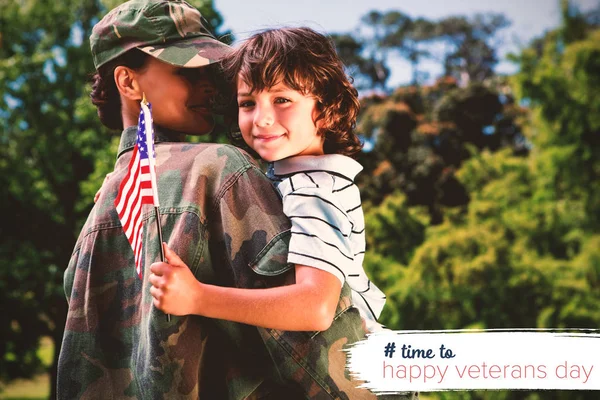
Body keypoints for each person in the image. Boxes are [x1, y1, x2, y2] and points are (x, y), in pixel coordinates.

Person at [58, 1, 415, 399]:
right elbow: (318, 337)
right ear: (128, 82)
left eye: (211, 73)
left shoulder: (104, 206)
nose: (210, 87)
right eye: (186, 71)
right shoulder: (219, 170)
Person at [149, 27, 387, 333]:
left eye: (282, 100)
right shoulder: (293, 178)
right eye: (248, 103)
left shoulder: (317, 191)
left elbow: (316, 308)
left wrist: (198, 298)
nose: (261, 118)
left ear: (326, 110)